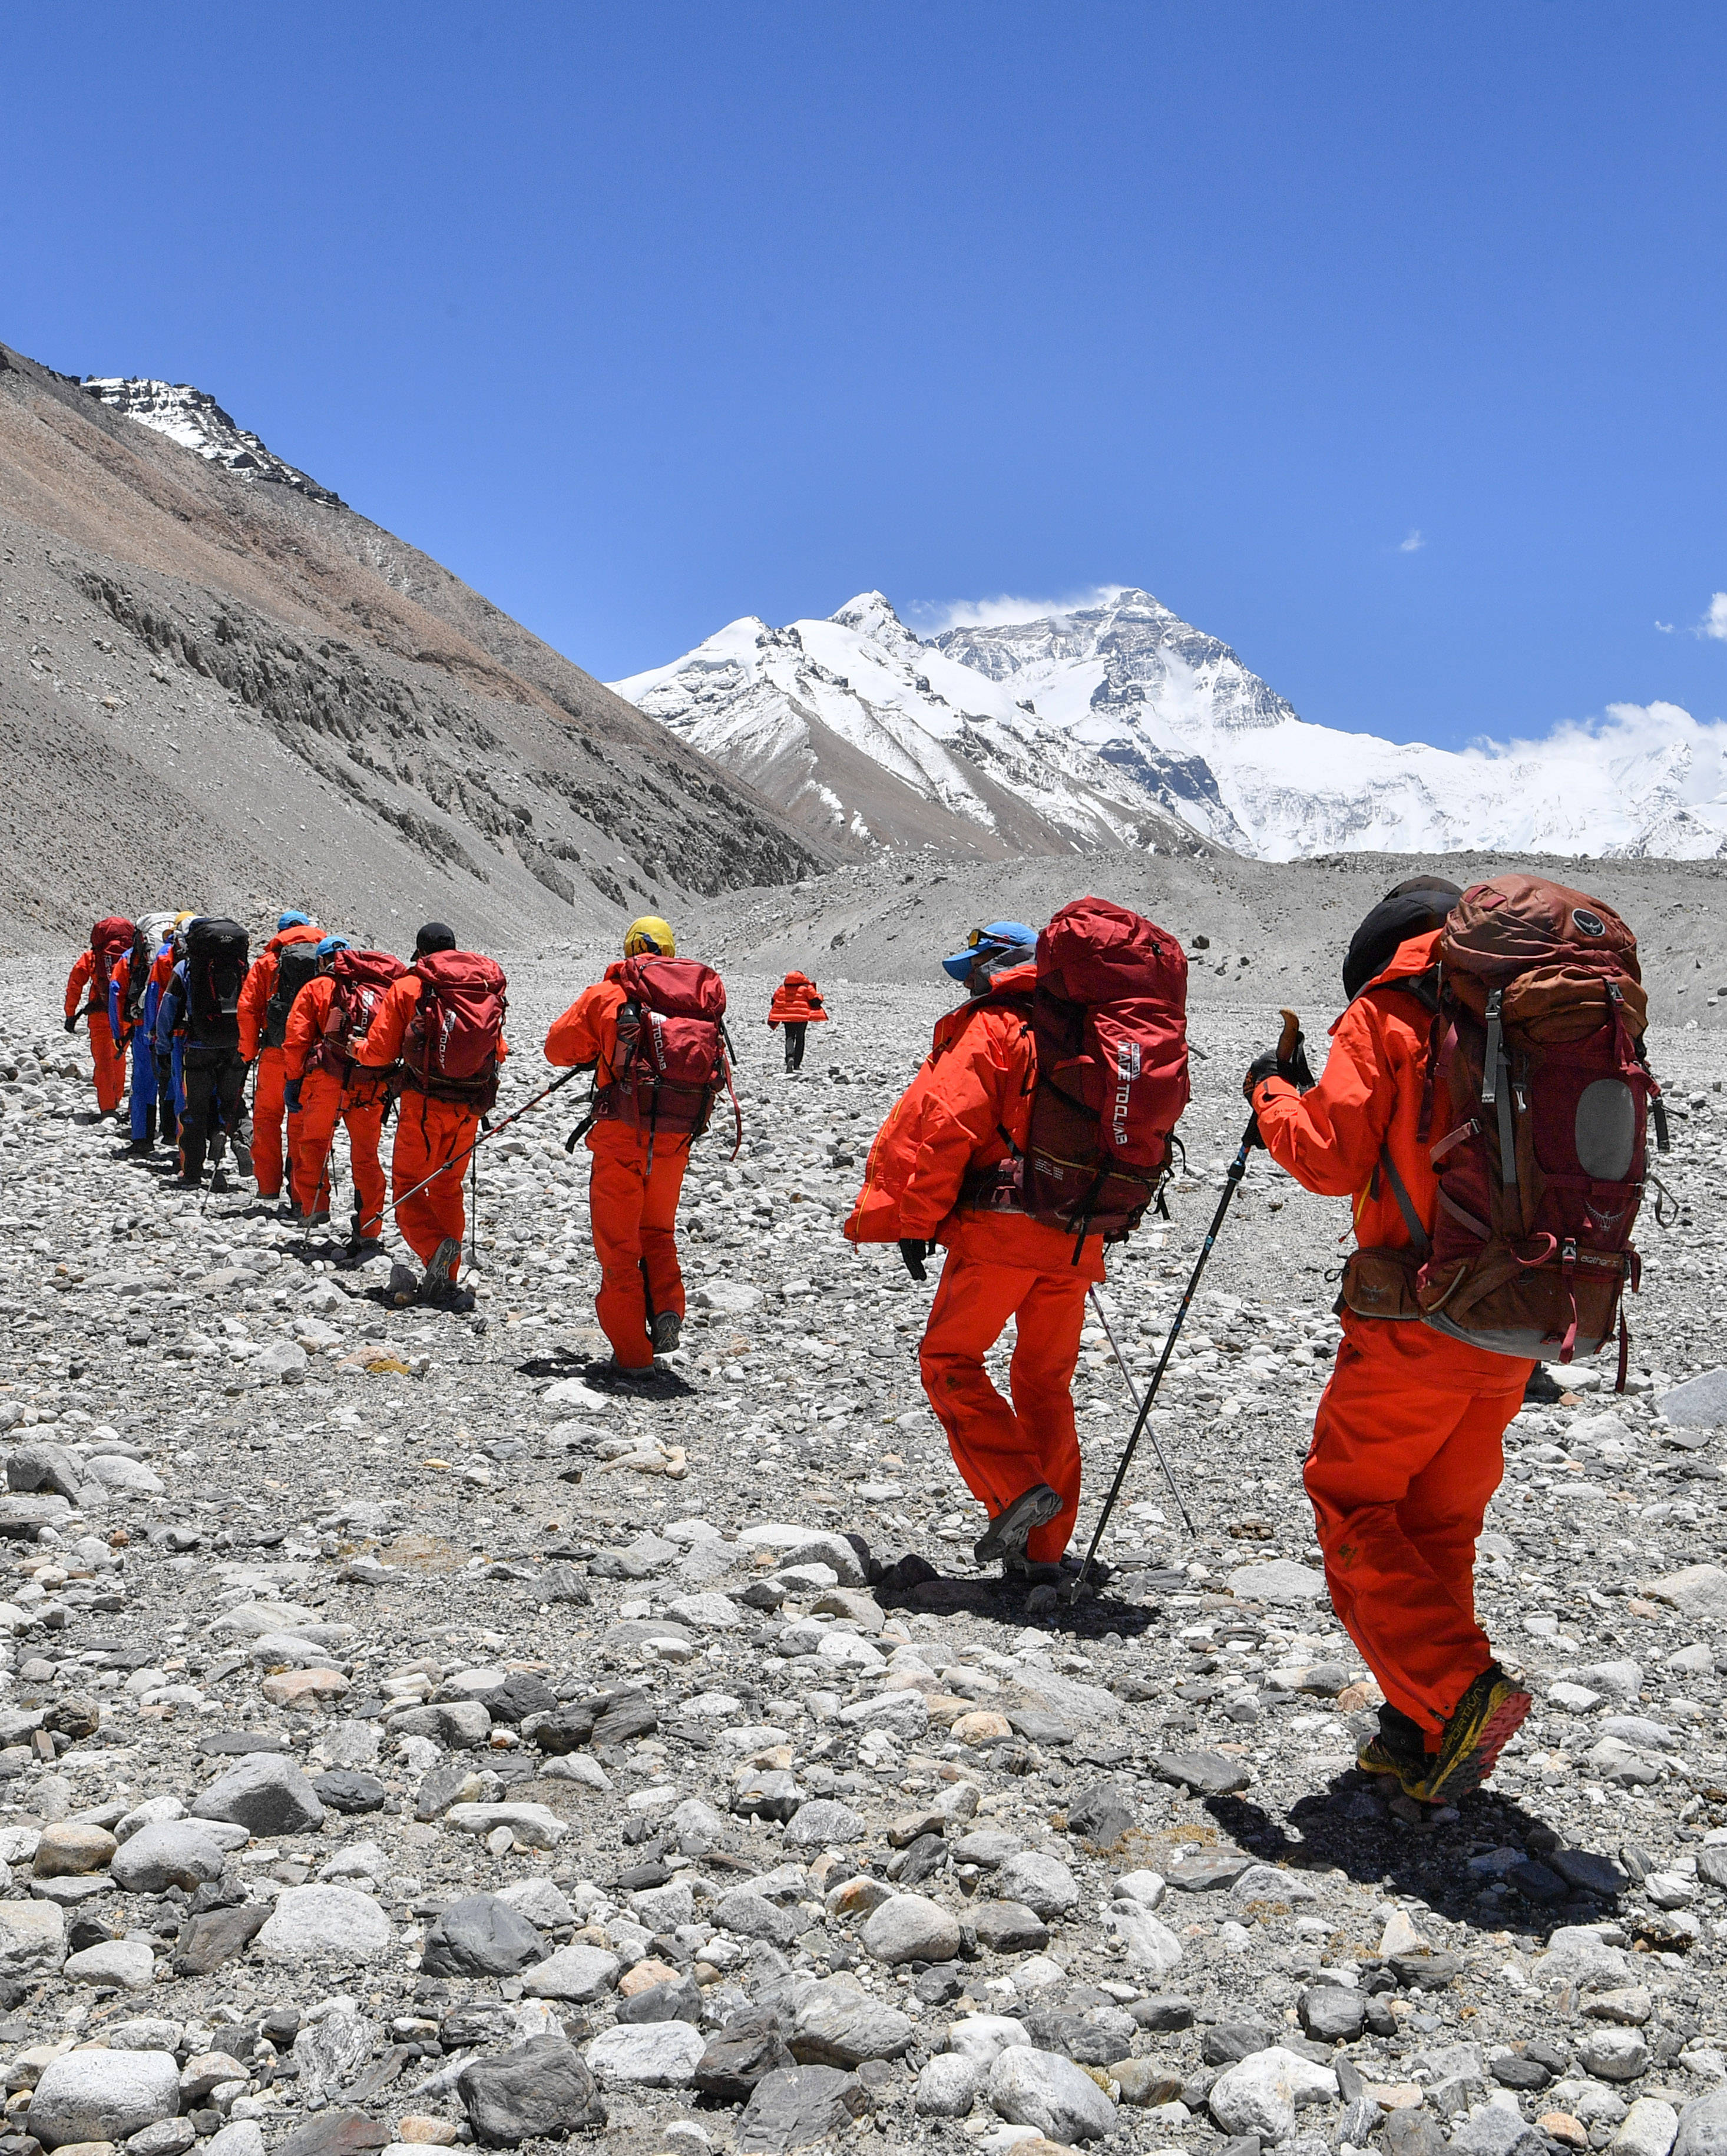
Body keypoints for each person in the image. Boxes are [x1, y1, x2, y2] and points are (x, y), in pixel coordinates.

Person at [1246, 875, 1533, 1807]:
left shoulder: (1388, 1010)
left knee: (1353, 1502)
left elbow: (1329, 1158)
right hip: (1516, 1318)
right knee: (1437, 1525)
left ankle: (1458, 1695)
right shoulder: (1522, 1011)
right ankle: (1418, 1730)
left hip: (1418, 1316)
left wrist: (1270, 1094)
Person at [845, 921, 1101, 1585]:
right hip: (1078, 1233)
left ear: (1004, 964)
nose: (972, 980)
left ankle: (1015, 1489)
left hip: (1002, 1228)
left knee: (949, 1359)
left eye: (978, 966)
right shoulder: (1094, 1030)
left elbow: (943, 1126)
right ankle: (1043, 1554)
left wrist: (914, 1218)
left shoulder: (994, 1027)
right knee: (1045, 1383)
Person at [544, 915, 720, 1371]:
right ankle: (667, 1308)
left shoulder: (610, 993)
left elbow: (557, 1048)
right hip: (677, 1133)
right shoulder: (695, 1001)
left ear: (629, 948)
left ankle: (632, 1354)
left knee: (619, 1246)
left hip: (623, 1134)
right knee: (658, 1231)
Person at [352, 922, 507, 1307]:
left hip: (424, 1104)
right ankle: (446, 1278)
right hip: (469, 1105)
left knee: (408, 1186)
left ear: (420, 952)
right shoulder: (481, 986)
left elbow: (380, 1052)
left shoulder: (411, 985)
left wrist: (357, 1048)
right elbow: (499, 1050)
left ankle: (435, 1249)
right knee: (448, 1187)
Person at [282, 938, 401, 1248]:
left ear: (322, 962)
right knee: (366, 1155)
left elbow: (297, 1038)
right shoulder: (385, 988)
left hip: (327, 1080)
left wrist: (293, 1080)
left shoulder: (319, 987)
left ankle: (314, 1208)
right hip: (371, 1082)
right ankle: (369, 1224)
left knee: (313, 1143)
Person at [238, 909, 324, 1211]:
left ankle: (268, 1186)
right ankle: (302, 1195)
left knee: (267, 1118)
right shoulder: (326, 960)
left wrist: (248, 1052)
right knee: (302, 1122)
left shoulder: (268, 962)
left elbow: (248, 1008)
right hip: (312, 1056)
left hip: (275, 1051)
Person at [158, 916, 251, 1189]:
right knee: (235, 1105)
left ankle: (192, 1172)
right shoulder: (244, 967)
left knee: (194, 1111)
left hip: (198, 1047)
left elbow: (168, 1009)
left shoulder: (185, 967)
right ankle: (240, 1141)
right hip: (236, 1046)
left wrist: (163, 1048)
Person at [108, 913, 176, 1151]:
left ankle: (142, 1138)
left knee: (144, 1082)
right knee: (175, 1081)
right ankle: (174, 1135)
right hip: (177, 1032)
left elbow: (116, 992)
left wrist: (118, 1034)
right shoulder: (180, 956)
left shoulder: (132, 959)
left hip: (141, 1030)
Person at [62, 920, 132, 1116]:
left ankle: (108, 1107)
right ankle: (117, 1098)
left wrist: (70, 1014)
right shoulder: (133, 955)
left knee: (103, 1061)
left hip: (100, 1015)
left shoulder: (93, 956)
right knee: (119, 1056)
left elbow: (75, 983)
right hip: (125, 1016)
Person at [767, 971, 827, 1072]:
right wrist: (820, 996)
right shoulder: (807, 988)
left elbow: (773, 1001)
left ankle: (790, 1057)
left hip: (787, 1017)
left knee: (789, 1037)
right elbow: (815, 1002)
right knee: (800, 1039)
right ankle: (797, 1064)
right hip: (802, 1018)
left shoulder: (782, 989)